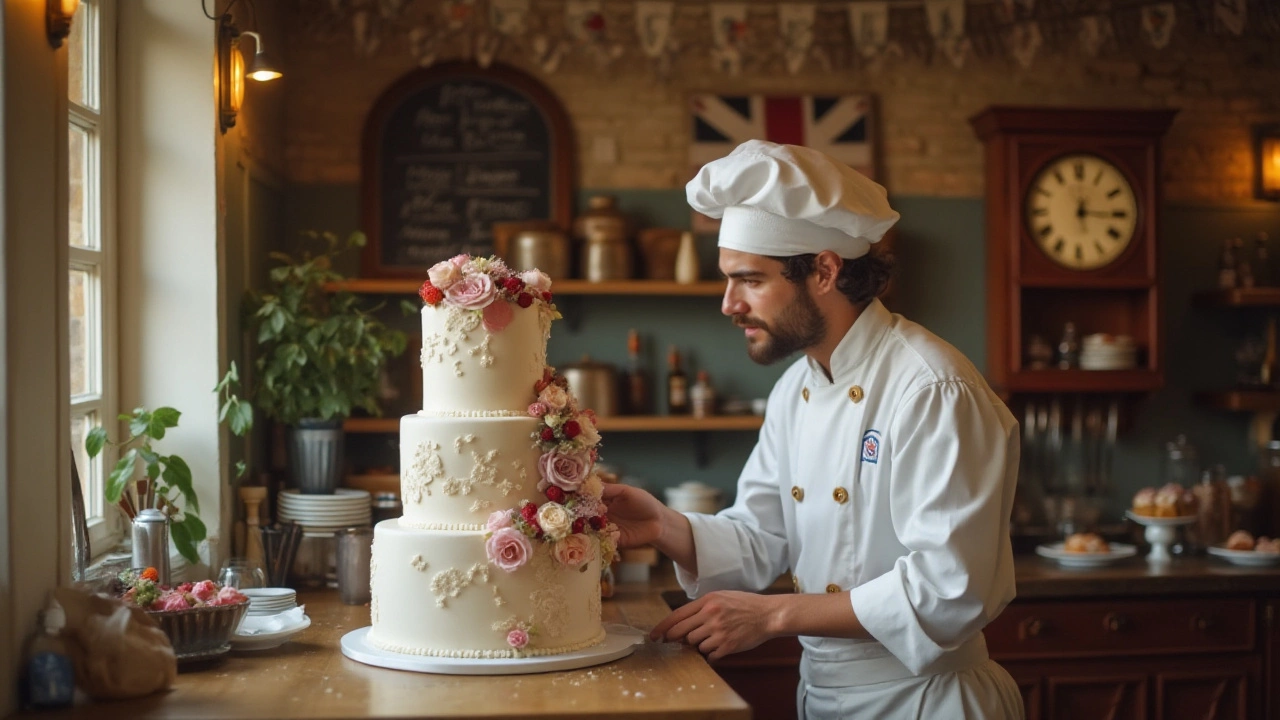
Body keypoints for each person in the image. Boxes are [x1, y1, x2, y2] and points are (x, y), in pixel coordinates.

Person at [601, 140, 1025, 719]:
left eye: (750, 280)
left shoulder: (932, 389)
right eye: (728, 280)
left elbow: (951, 589)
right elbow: (764, 535)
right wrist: (662, 525)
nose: (729, 304)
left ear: (824, 270)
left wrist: (773, 616)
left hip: (927, 699)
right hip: (823, 694)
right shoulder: (796, 388)